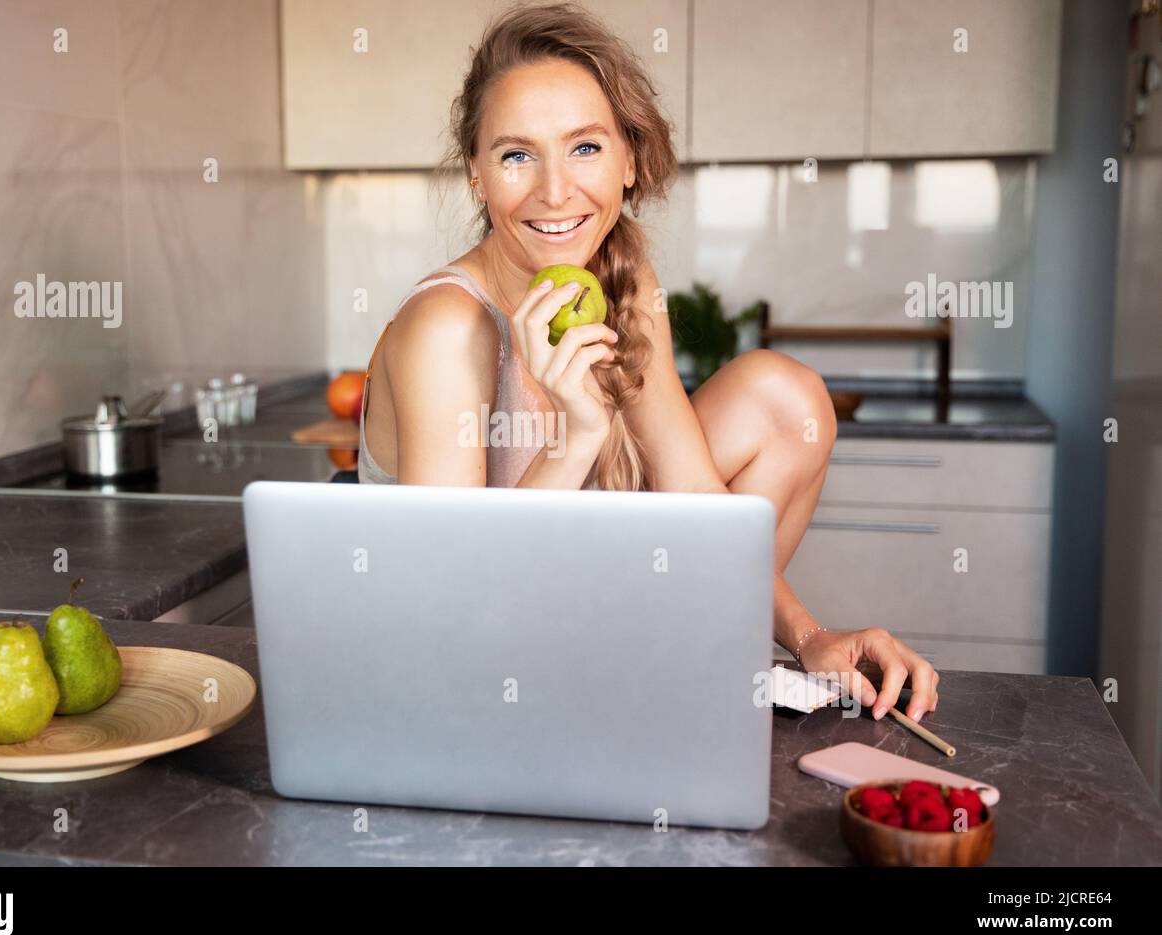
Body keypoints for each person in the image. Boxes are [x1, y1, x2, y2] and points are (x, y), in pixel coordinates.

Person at [357, 2, 938, 722]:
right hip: (473, 666)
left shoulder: (627, 284)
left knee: (786, 398)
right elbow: (453, 611)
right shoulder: (448, 326)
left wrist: (810, 636)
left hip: (583, 618)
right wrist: (575, 438)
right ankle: (652, 668)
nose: (555, 191)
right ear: (476, 174)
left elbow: (694, 492)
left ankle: (668, 660)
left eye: (585, 147)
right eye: (516, 155)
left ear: (629, 161)